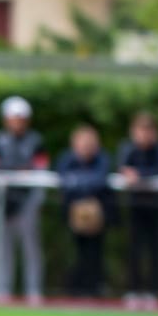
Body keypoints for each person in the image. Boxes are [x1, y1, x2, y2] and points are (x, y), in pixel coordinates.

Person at [0, 95, 48, 303]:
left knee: (31, 247)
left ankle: (33, 290)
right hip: (4, 201)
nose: (17, 122)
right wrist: (14, 171)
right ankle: (2, 289)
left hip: (28, 201)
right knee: (2, 248)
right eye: (13, 118)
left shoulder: (36, 141)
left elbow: (39, 167)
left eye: (21, 118)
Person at [115, 111, 158, 309]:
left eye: (148, 131)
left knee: (155, 249)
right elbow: (122, 166)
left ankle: (153, 291)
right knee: (134, 249)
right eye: (141, 130)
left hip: (155, 206)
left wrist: (140, 175)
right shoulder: (128, 149)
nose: (144, 135)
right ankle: (134, 289)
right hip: (135, 206)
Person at [55, 124, 112, 299]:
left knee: (95, 252)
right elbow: (63, 178)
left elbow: (99, 180)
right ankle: (76, 287)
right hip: (72, 212)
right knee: (76, 251)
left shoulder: (102, 158)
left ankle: (94, 287)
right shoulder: (67, 158)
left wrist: (78, 183)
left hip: (98, 212)